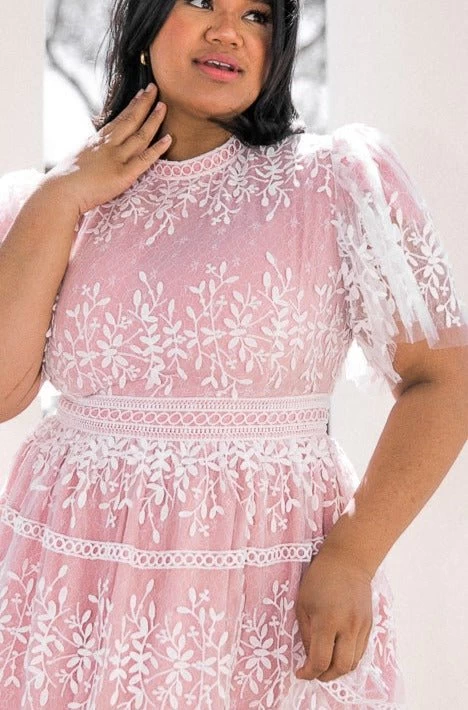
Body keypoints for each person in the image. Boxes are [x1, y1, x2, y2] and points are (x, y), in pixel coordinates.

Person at [0, 0, 467, 707]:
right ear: (144, 21)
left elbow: (444, 378)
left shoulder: (330, 182)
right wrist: (60, 199)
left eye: (255, 14)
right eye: (200, 2)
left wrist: (354, 554)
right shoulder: (56, 198)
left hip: (261, 595)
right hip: (68, 588)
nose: (227, 32)